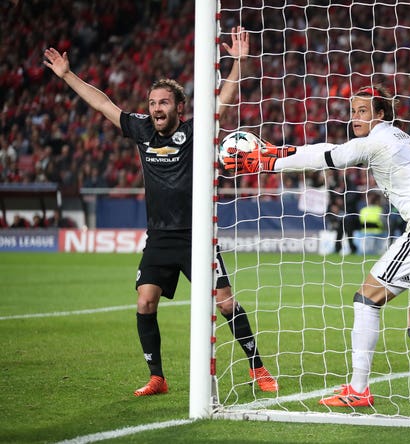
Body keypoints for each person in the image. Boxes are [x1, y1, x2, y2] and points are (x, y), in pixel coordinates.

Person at [224, 84, 410, 409]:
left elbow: (325, 156)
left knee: (365, 300)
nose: (355, 117)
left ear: (380, 114)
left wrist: (269, 160)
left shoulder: (380, 139)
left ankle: (358, 389)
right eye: (353, 112)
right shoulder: (399, 138)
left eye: (363, 111)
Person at [43, 27, 278, 396]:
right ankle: (158, 377)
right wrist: (68, 75)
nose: (156, 109)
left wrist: (238, 64)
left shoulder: (196, 131)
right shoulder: (141, 130)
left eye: (163, 103)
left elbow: (223, 101)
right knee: (145, 300)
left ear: (178, 107)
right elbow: (104, 104)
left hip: (196, 235)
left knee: (226, 302)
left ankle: (258, 368)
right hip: (160, 236)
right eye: (153, 103)